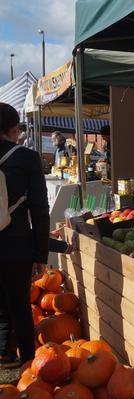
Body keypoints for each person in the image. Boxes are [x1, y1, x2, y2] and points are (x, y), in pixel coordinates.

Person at [0, 103, 49, 367]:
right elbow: (40, 210)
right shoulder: (27, 158)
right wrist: (40, 253)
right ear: (14, 128)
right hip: (16, 243)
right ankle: (28, 360)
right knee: (19, 303)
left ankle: (3, 353)